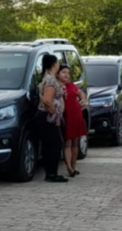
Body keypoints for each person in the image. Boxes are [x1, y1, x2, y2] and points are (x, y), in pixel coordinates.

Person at [37, 54, 67, 183]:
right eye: (58, 63)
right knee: (56, 144)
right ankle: (51, 173)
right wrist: (55, 115)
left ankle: (51, 172)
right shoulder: (50, 80)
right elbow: (47, 101)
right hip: (47, 117)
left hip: (48, 117)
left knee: (50, 144)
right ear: (54, 64)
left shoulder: (49, 78)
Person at [59, 62, 87, 178]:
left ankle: (73, 166)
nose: (66, 75)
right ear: (57, 73)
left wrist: (83, 100)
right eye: (63, 72)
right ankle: (69, 168)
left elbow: (80, 93)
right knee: (68, 142)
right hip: (66, 115)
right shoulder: (57, 86)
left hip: (76, 114)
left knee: (75, 142)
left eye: (68, 73)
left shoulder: (71, 85)